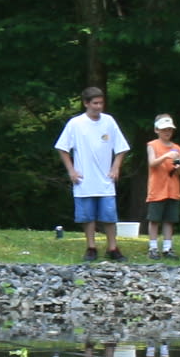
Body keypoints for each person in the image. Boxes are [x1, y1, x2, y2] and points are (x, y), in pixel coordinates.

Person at [55, 86, 130, 263]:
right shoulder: (76, 124)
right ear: (86, 103)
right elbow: (62, 148)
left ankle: (112, 247)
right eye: (95, 103)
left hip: (105, 179)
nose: (98, 106)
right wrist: (71, 170)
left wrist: (116, 167)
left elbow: (121, 148)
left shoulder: (109, 121)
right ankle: (91, 247)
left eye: (101, 103)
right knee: (87, 216)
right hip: (84, 179)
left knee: (109, 216)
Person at [142, 115, 180, 259]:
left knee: (169, 220)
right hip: (157, 189)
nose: (167, 132)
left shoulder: (177, 148)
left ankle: (167, 248)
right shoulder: (152, 145)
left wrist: (179, 167)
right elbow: (152, 163)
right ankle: (153, 248)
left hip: (173, 189)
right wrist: (166, 156)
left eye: (170, 130)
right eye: (164, 130)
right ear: (157, 130)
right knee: (154, 219)